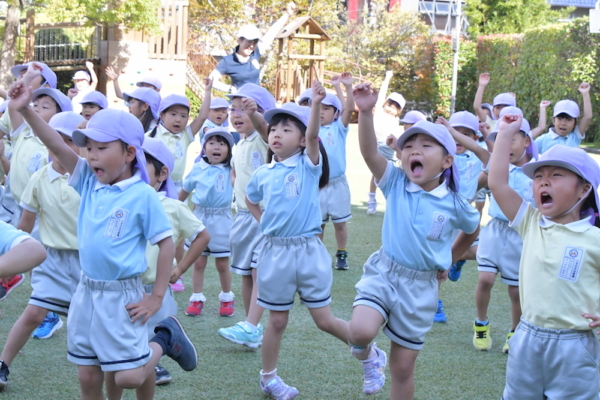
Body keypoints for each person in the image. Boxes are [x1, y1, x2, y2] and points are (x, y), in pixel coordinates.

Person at [7, 63, 197, 400]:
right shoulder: (90, 182)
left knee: (126, 377)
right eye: (88, 147)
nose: (91, 155)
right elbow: (54, 140)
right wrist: (24, 110)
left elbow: (166, 246)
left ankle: (165, 339)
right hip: (86, 293)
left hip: (123, 296)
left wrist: (156, 298)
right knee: (87, 375)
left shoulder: (142, 195)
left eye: (101, 148)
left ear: (128, 152)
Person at [348, 83, 479, 399]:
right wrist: (365, 112)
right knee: (360, 332)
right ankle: (369, 357)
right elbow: (368, 152)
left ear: (447, 161)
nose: (414, 151)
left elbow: (472, 230)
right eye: (408, 146)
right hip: (385, 273)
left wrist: (449, 257)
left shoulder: (454, 203)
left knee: (402, 369)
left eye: (426, 146)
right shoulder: (395, 182)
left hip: (421, 289)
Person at [488, 112, 600, 399]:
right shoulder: (531, 222)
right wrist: (504, 133)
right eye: (539, 177)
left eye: (556, 176)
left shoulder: (594, 239)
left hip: (576, 346)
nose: (543, 183)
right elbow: (497, 183)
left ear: (584, 189)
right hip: (526, 337)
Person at [247, 85, 349, 399]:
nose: (276, 133)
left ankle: (368, 351)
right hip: (275, 253)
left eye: (286, 129)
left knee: (324, 319)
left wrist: (316, 105)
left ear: (303, 139)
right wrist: (263, 221)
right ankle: (269, 378)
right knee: (276, 321)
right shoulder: (264, 172)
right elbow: (251, 199)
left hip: (307, 251)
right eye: (273, 129)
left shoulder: (308, 164)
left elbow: (315, 134)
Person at [103, 137, 209, 390]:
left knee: (138, 360)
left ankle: (167, 337)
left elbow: (203, 236)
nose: (131, 172)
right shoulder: (116, 200)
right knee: (116, 360)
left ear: (162, 174)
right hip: (119, 292)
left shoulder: (171, 206)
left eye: (140, 166)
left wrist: (180, 268)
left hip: (153, 292)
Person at [0, 111, 84, 390]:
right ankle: (3, 364)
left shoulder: (89, 179)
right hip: (51, 260)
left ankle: (141, 358)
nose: (61, 147)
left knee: (102, 318)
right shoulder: (39, 179)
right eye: (56, 140)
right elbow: (24, 225)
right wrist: (11, 261)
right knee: (34, 313)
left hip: (89, 263)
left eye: (70, 141)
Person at [473, 109, 538, 354]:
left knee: (515, 290)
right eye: (502, 138)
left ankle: (514, 331)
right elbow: (474, 185)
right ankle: (481, 323)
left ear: (527, 141)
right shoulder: (498, 167)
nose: (507, 145)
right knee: (485, 279)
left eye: (512, 138)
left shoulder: (535, 172)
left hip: (520, 234)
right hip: (494, 230)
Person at [217, 83, 275, 348]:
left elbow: (265, 129)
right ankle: (250, 324)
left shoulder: (265, 139)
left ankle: (251, 325)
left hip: (262, 216)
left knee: (257, 270)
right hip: (242, 215)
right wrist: (234, 181)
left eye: (246, 108)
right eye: (234, 109)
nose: (237, 114)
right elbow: (235, 170)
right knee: (244, 272)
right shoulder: (239, 142)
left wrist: (257, 116)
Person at [432, 111, 485, 323]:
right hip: (441, 215)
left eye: (465, 134)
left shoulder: (478, 158)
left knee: (482, 253)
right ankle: (435, 304)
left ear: (475, 138)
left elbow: (489, 156)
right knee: (435, 263)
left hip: (465, 215)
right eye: (454, 132)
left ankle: (458, 259)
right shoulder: (441, 156)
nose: (458, 138)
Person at [179, 128, 235, 317]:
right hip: (200, 218)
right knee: (198, 262)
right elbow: (185, 191)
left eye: (222, 143)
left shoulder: (230, 169)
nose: (216, 147)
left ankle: (227, 298)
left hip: (222, 219)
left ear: (228, 150)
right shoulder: (197, 168)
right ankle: (196, 297)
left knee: (222, 264)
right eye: (211, 143)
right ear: (204, 148)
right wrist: (174, 206)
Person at [209, 2, 297, 93]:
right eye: (249, 41)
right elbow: (211, 80)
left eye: (255, 42)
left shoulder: (255, 52)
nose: (251, 46)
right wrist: (230, 89)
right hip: (240, 104)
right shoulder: (228, 61)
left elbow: (271, 34)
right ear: (239, 40)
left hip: (256, 101)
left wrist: (287, 15)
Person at [316, 73, 354, 270]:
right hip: (318, 183)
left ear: (335, 113)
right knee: (318, 224)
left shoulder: (339, 128)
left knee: (340, 223)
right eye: (319, 108)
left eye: (327, 108)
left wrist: (343, 87)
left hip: (338, 183)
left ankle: (341, 253)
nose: (322, 112)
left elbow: (349, 109)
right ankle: (319, 255)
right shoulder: (310, 129)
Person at [366, 70, 405, 214]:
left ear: (398, 111)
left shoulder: (396, 120)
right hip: (379, 150)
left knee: (394, 178)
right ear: (385, 104)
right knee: (376, 176)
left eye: (395, 108)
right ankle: (371, 200)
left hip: (393, 153)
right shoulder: (379, 113)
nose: (391, 109)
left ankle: (393, 203)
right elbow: (382, 93)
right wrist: (388, 77)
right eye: (390, 105)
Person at [534, 82, 593, 153]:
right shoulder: (543, 140)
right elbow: (528, 155)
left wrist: (585, 94)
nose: (563, 123)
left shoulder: (575, 136)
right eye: (560, 118)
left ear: (575, 123)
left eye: (569, 120)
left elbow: (587, 117)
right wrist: (542, 109)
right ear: (553, 120)